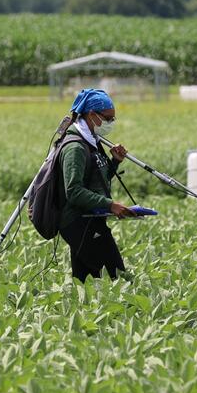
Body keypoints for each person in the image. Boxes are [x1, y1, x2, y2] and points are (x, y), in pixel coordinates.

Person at [59, 89, 136, 283]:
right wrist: (111, 205)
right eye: (108, 118)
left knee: (85, 283)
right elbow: (74, 191)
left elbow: (95, 181)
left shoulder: (91, 140)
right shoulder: (75, 147)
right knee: (119, 278)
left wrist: (115, 162)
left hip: (90, 219)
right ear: (92, 115)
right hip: (78, 223)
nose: (111, 123)